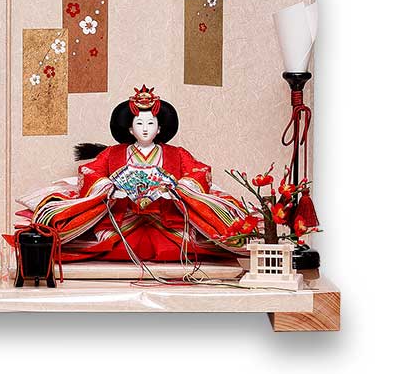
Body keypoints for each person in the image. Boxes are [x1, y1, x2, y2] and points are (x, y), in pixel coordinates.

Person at [27, 86, 247, 262]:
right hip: (124, 217)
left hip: (165, 217)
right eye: (139, 123)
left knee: (179, 246)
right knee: (111, 245)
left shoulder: (177, 154)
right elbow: (90, 170)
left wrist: (178, 189)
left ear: (159, 128)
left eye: (150, 123)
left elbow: (199, 171)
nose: (145, 128)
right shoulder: (113, 153)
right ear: (130, 129)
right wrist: (109, 188)